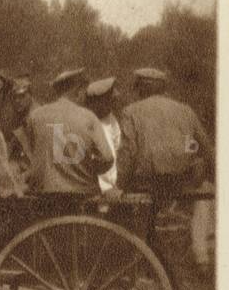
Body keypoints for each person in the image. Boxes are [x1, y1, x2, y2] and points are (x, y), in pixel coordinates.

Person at [116, 67, 212, 197]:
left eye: (137, 87)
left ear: (143, 88)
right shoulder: (185, 110)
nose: (136, 93)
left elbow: (127, 152)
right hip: (181, 187)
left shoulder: (131, 112)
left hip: (145, 186)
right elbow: (203, 148)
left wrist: (119, 185)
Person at [24, 68, 113, 194]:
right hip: (83, 193)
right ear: (78, 91)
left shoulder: (35, 116)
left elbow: (33, 153)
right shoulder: (88, 117)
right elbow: (107, 158)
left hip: (46, 195)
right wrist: (85, 167)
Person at [83, 76, 121, 193]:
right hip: (95, 186)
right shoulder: (85, 121)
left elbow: (117, 149)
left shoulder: (111, 119)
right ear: (97, 101)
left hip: (113, 186)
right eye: (108, 100)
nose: (111, 104)